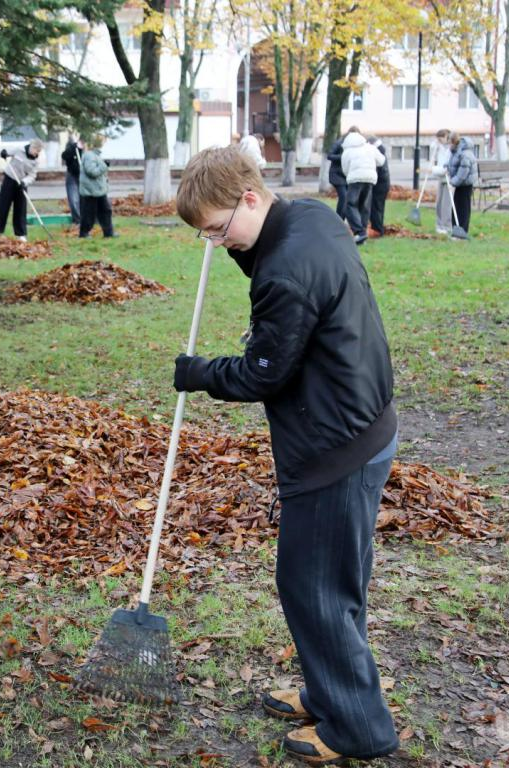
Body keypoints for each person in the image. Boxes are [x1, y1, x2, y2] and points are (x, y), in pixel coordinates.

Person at [173, 144, 399, 765]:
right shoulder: (312, 219)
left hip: (334, 448)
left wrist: (198, 373)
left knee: (314, 587)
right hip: (364, 422)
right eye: (208, 237)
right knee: (331, 581)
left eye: (220, 230)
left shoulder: (283, 275)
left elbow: (262, 373)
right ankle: (332, 693)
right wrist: (236, 240)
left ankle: (358, 728)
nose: (218, 245)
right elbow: (272, 268)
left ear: (250, 197)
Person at [0, 138, 42, 241]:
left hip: (22, 184)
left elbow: (32, 176)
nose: (36, 153)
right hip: (9, 179)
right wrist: (3, 153)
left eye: (38, 152)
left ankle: (21, 234)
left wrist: (25, 182)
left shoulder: (35, 162)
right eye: (36, 151)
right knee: (3, 206)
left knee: (20, 209)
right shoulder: (19, 149)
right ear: (32, 147)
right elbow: (5, 151)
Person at [340, 127, 384, 244]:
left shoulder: (347, 151)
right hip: (370, 179)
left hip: (355, 179)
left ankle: (359, 232)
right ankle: (362, 234)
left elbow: (345, 169)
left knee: (350, 205)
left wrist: (350, 175)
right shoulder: (370, 148)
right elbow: (381, 161)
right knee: (364, 206)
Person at [78, 134, 115, 238]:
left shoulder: (95, 155)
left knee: (106, 211)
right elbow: (92, 172)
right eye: (103, 141)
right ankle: (84, 233)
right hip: (91, 190)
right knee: (89, 213)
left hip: (98, 190)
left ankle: (108, 232)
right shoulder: (90, 155)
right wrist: (104, 166)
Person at [446, 132, 478, 234]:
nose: (448, 145)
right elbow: (454, 164)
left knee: (463, 209)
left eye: (449, 143)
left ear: (453, 142)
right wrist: (445, 166)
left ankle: (462, 230)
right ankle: (456, 229)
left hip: (465, 185)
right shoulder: (457, 151)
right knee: (456, 207)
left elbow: (463, 172)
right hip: (460, 184)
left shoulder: (464, 153)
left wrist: (453, 182)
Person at [430, 129, 454, 234]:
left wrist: (435, 170)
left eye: (441, 139)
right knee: (439, 203)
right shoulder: (439, 148)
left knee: (446, 204)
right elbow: (433, 155)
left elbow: (447, 167)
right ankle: (439, 224)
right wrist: (435, 145)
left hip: (449, 179)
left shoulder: (451, 149)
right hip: (440, 178)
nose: (439, 141)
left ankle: (447, 226)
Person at [367, 135, 390, 236]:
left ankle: (377, 230)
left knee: (376, 207)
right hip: (383, 182)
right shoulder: (381, 149)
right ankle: (377, 228)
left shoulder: (378, 150)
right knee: (378, 207)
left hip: (380, 184)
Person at [326, 135, 349, 222]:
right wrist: (343, 156)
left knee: (347, 198)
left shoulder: (352, 145)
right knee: (343, 196)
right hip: (337, 175)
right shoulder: (338, 143)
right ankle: (339, 220)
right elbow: (329, 156)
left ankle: (343, 219)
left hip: (346, 175)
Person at [62, 136, 84, 226]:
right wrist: (73, 148)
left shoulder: (89, 146)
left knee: (86, 199)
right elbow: (64, 156)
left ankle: (89, 219)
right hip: (72, 174)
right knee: (74, 199)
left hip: (84, 175)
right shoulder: (71, 145)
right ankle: (78, 220)